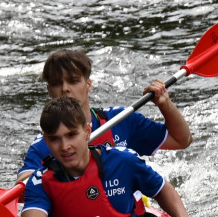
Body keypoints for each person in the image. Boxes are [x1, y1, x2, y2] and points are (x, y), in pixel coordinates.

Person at [21, 96, 207, 217]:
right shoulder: (40, 179)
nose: (65, 147)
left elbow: (161, 188)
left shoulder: (123, 161)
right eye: (55, 139)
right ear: (46, 140)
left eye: (71, 135)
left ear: (87, 132)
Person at [16, 49, 193, 182]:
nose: (65, 89)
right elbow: (22, 187)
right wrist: (55, 167)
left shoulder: (121, 119)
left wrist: (165, 105)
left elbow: (181, 140)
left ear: (88, 85)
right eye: (56, 83)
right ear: (49, 91)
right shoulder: (46, 143)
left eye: (74, 81)